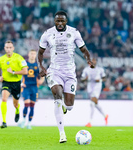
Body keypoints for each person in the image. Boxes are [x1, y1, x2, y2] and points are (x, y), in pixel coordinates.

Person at [37, 11, 94, 143]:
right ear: (54, 21)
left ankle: (64, 105)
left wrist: (89, 60)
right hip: (54, 71)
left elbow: (84, 49)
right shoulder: (47, 34)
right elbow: (40, 52)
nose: (60, 23)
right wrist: (41, 66)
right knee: (57, 94)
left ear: (66, 21)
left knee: (69, 106)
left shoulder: (74, 32)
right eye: (58, 21)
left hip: (70, 73)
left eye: (63, 21)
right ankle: (62, 134)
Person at [0, 40, 28, 128]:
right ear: (4, 48)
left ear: (13, 48)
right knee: (4, 99)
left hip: (16, 83)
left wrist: (13, 72)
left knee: (15, 104)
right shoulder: (1, 59)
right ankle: (4, 122)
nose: (8, 49)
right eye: (7, 47)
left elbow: (25, 71)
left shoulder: (19, 58)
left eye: (10, 47)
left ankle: (17, 110)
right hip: (6, 82)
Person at [18, 49, 45, 129]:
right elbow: (19, 73)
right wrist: (20, 83)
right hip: (26, 87)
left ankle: (29, 123)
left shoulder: (38, 64)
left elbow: (42, 75)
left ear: (35, 55)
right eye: (31, 53)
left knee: (32, 106)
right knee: (26, 104)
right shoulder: (24, 63)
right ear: (29, 54)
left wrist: (41, 81)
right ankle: (23, 120)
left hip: (34, 87)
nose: (33, 55)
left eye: (34, 54)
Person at [81, 58, 108, 127]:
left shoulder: (100, 70)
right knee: (94, 103)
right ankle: (105, 115)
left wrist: (100, 80)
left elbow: (105, 78)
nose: (93, 62)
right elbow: (82, 79)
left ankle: (90, 122)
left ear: (96, 62)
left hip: (97, 87)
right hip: (90, 87)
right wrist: (85, 79)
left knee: (91, 103)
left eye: (94, 60)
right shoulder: (86, 69)